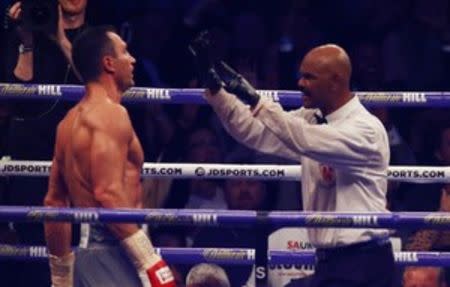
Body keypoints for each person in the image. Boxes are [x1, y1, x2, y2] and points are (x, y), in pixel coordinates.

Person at [190, 33, 394, 286]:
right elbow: (256, 132)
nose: (300, 83)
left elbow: (306, 139)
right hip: (330, 263)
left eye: (310, 77)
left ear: (335, 81)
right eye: (301, 75)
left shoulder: (366, 129)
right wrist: (217, 91)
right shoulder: (312, 118)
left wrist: (255, 98)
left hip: (364, 263)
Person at [43, 26, 175, 287]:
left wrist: (61, 278)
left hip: (90, 254)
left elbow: (54, 204)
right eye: (125, 52)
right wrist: (150, 262)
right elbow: (107, 193)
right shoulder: (112, 115)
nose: (132, 59)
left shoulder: (67, 123)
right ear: (109, 63)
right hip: (116, 250)